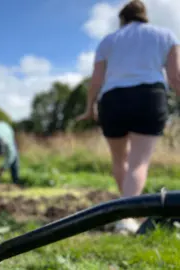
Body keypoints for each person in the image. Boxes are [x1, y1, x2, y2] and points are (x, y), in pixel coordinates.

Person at [76, 0, 180, 234]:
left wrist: (89, 108)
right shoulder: (165, 35)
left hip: (112, 100)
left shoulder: (108, 40)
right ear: (145, 17)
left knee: (119, 160)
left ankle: (126, 210)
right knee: (138, 162)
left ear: (122, 19)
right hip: (148, 97)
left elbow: (96, 80)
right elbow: (176, 77)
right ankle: (127, 216)